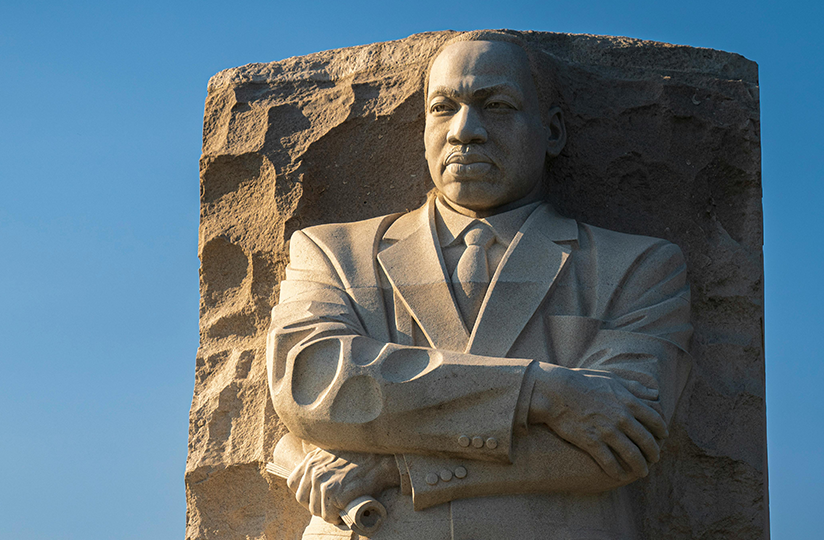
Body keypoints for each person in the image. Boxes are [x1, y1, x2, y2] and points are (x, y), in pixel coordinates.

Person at [266, 30, 692, 540]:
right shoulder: (333, 253)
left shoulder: (638, 266)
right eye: (443, 108)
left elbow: (620, 442)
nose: (465, 131)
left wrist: (393, 467)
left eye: (498, 106)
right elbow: (313, 383)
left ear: (552, 131)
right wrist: (544, 392)